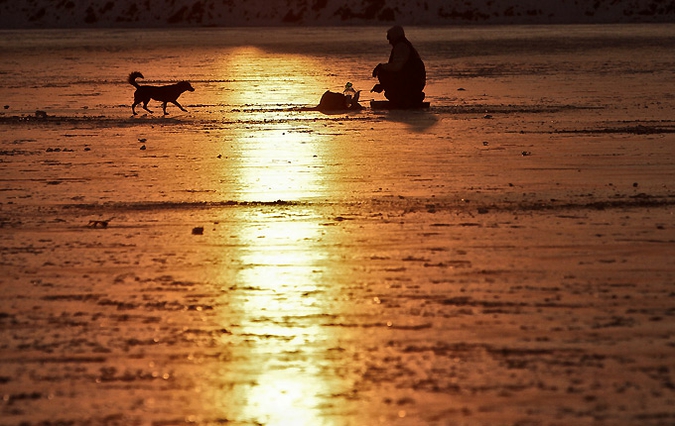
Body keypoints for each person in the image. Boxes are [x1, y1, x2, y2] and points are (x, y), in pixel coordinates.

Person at [371, 26, 426, 107]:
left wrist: (380, 67)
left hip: (412, 83)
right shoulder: (404, 45)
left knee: (383, 71)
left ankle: (401, 96)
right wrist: (383, 85)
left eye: (389, 38)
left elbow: (397, 67)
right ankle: (407, 95)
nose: (389, 42)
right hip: (413, 82)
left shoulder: (401, 46)